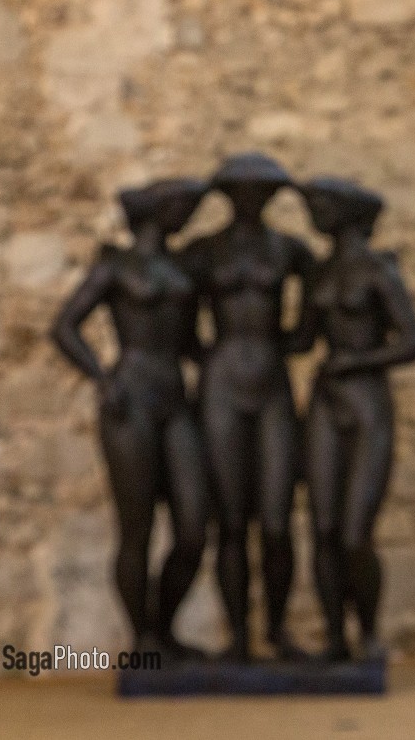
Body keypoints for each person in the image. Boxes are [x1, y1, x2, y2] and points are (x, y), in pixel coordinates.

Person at [51, 178, 209, 658]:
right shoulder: (115, 267)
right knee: (137, 526)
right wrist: (102, 376)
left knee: (193, 527)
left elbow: (191, 343)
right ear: (156, 211)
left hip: (174, 398)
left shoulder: (183, 268)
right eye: (180, 204)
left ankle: (164, 626)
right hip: (131, 397)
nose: (186, 213)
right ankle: (142, 637)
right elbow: (64, 327)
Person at [181, 152, 315, 661]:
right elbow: (180, 320)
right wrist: (210, 353)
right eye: (242, 190)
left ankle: (277, 629)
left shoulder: (289, 250)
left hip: (271, 380)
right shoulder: (204, 253)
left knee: (278, 519)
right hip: (221, 382)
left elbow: (312, 314)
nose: (252, 200)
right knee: (231, 519)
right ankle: (238, 634)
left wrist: (290, 340)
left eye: (263, 191)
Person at [299, 177, 415, 662]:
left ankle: (368, 633)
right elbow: (302, 338)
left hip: (367, 399)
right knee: (324, 527)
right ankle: (334, 636)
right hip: (326, 401)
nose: (314, 213)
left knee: (355, 531)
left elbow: (413, 341)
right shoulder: (320, 272)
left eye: (321, 205)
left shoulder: (377, 270)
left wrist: (356, 360)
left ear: (347, 213)